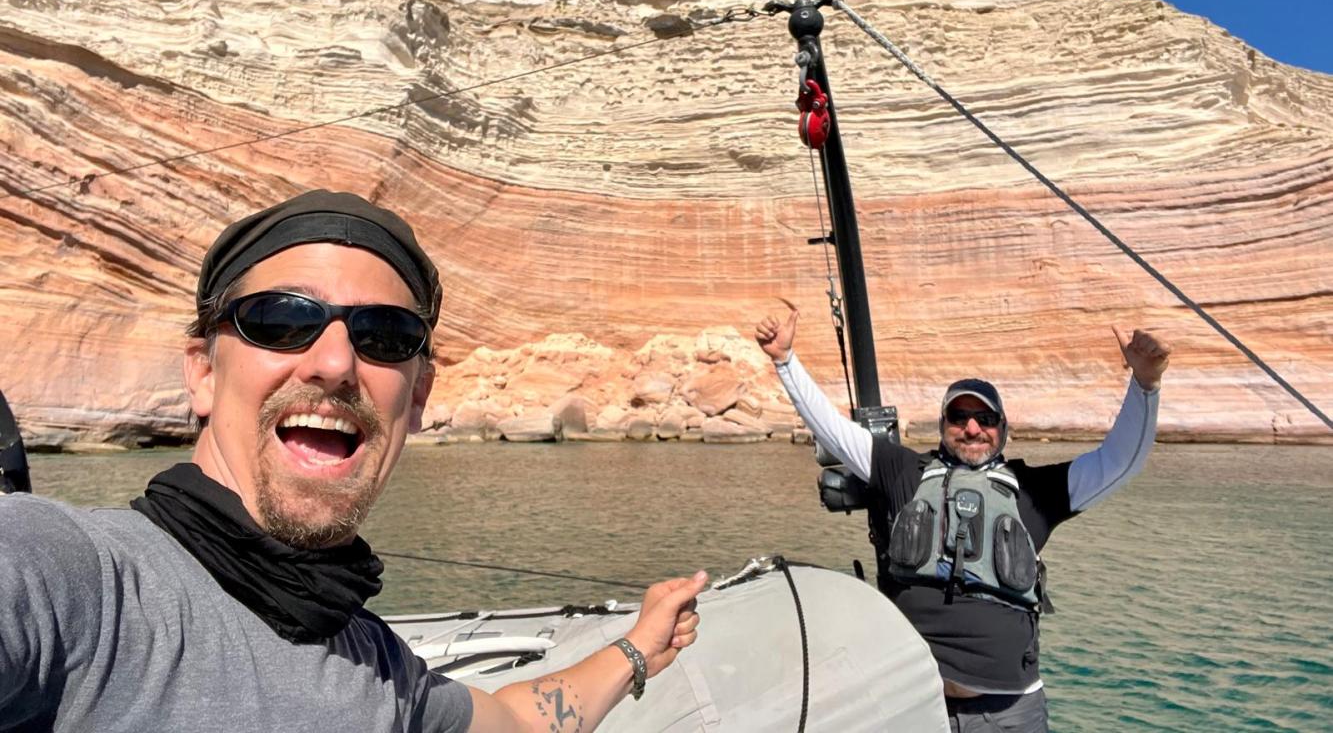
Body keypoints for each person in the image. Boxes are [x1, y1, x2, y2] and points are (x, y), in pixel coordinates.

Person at [0, 190, 707, 733]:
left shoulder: (380, 667)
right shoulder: (75, 579)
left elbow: (522, 720)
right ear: (203, 373)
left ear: (419, 396)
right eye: (280, 320)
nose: (336, 362)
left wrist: (640, 645)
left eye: (385, 335)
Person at [755, 304, 1170, 733]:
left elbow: (1120, 462)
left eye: (985, 419)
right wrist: (785, 360)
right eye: (960, 417)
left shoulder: (1034, 490)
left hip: (1009, 710)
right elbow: (831, 429)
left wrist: (1146, 383)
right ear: (943, 425)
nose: (972, 428)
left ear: (1002, 428)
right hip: (914, 699)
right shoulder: (902, 471)